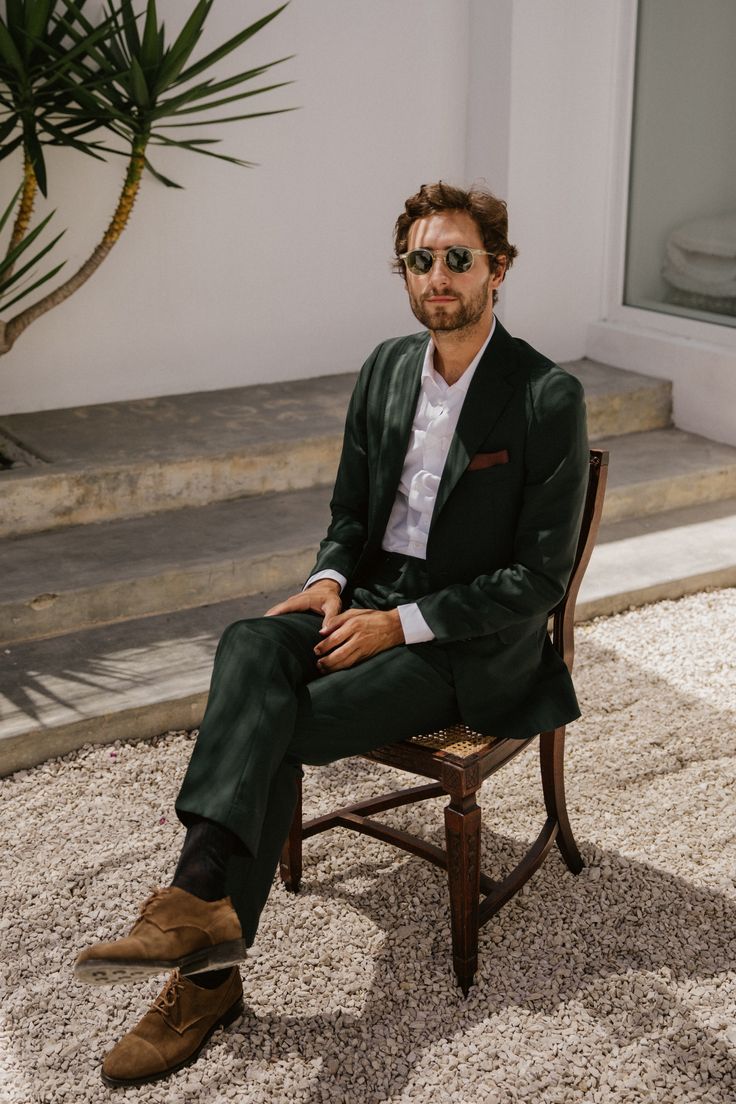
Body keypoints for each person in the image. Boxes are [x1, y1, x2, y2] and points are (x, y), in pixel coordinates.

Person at [74, 181, 589, 1087]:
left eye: (457, 258)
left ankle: (206, 978)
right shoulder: (387, 367)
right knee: (249, 646)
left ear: (497, 270)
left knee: (276, 727)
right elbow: (350, 510)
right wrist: (327, 581)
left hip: (464, 644)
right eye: (419, 260)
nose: (436, 275)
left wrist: (401, 625)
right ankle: (202, 903)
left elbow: (537, 580)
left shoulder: (547, 394)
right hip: (370, 600)